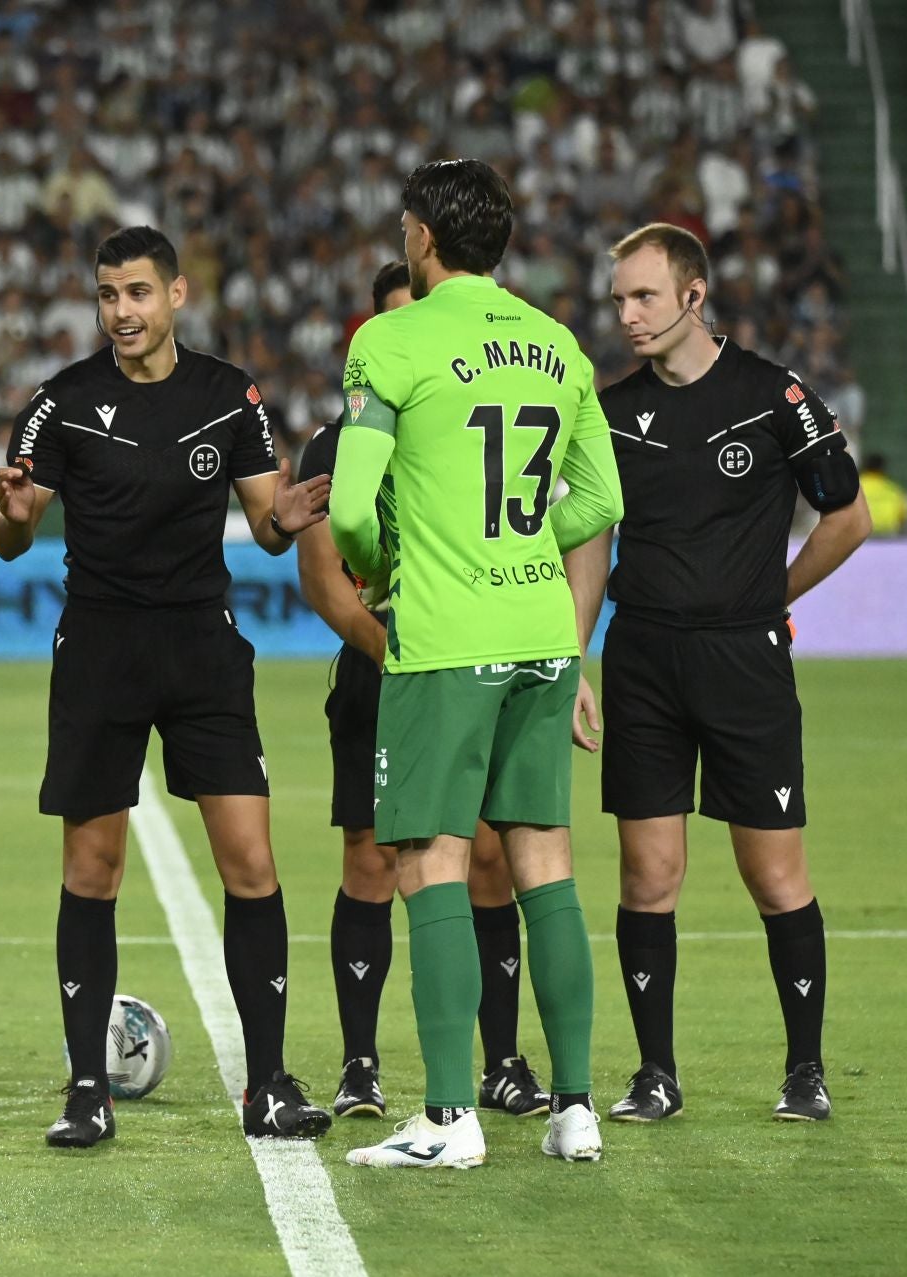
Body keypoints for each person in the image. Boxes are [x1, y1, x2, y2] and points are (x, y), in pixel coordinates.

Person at [0, 225, 335, 1149]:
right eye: (107, 295)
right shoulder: (62, 402)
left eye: (137, 293)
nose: (121, 312)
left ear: (176, 294)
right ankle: (85, 1089)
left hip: (201, 648)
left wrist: (292, 515)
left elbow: (267, 524)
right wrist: (12, 514)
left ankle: (269, 1082)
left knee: (250, 862)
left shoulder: (229, 395)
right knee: (91, 869)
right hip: (99, 650)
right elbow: (15, 533)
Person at [330, 159, 624, 1170]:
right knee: (545, 858)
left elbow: (345, 512)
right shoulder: (557, 346)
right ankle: (577, 1105)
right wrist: (526, 546)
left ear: (420, 235)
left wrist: (386, 573)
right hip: (544, 631)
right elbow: (599, 500)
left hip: (446, 636)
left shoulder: (391, 340)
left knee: (430, 860)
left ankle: (451, 1118)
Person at [573, 222, 870, 1125]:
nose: (627, 315)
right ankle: (655, 1074)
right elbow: (593, 536)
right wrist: (573, 656)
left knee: (775, 873)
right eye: (620, 299)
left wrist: (766, 595)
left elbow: (847, 519)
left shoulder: (773, 395)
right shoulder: (612, 411)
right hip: (644, 660)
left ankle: (805, 1070)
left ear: (694, 296)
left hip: (744, 661)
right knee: (647, 874)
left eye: (644, 297)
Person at [296, 259, 551, 1122]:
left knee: (487, 858)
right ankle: (361, 1063)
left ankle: (504, 1060)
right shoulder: (340, 440)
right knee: (371, 861)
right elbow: (328, 582)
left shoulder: (480, 417)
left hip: (471, 668)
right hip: (386, 677)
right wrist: (394, 647)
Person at [858, 454, 907, 535]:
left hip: (861, 535)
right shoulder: (893, 489)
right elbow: (903, 517)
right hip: (888, 536)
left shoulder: (855, 486)